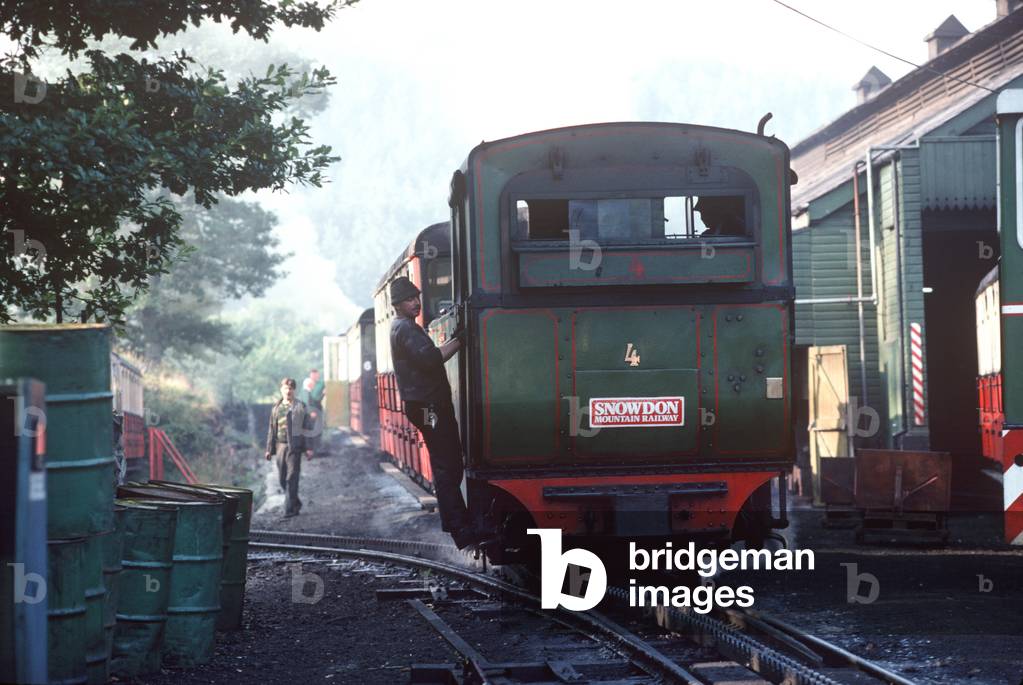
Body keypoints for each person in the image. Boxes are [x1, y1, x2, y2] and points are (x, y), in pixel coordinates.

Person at [389, 276, 488, 549]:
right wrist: (460, 341)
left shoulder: (402, 326)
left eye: (417, 297)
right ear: (397, 304)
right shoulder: (406, 328)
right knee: (447, 464)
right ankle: (461, 529)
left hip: (425, 405)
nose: (416, 302)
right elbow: (431, 359)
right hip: (428, 406)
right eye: (410, 299)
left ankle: (460, 525)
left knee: (448, 462)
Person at [265, 378, 313, 518]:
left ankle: (290, 510)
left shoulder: (300, 406)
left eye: (291, 388)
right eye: (286, 388)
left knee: (292, 477)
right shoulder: (276, 407)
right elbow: (271, 430)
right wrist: (268, 449)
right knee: (282, 478)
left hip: (295, 447)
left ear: (294, 390)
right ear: (281, 390)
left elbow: (307, 428)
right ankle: (296, 502)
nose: (288, 390)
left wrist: (309, 448)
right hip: (280, 446)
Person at [302, 368, 326, 454]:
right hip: (309, 414)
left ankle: (312, 450)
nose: (313, 385)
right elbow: (306, 403)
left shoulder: (308, 392)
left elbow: (315, 400)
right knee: (310, 432)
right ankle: (310, 450)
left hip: (313, 413)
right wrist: (310, 412)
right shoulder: (306, 393)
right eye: (312, 384)